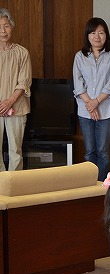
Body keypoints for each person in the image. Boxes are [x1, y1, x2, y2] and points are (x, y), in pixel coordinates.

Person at [73, 17, 110, 181]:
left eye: (101, 33)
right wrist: (90, 104)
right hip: (85, 111)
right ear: (87, 35)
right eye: (93, 33)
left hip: (106, 111)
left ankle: (103, 187)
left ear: (106, 36)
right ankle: (89, 187)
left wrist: (96, 102)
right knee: (89, 151)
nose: (97, 37)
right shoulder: (80, 57)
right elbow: (78, 84)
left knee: (103, 152)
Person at [0, 8, 32, 171]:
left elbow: (24, 81)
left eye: (6, 26)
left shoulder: (22, 52)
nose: (3, 31)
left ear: (11, 26)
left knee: (16, 151)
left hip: (17, 108)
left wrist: (9, 101)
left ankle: (14, 189)